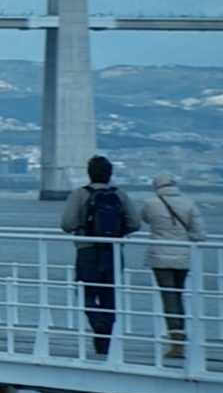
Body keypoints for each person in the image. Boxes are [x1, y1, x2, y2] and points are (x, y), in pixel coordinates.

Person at [59, 154, 139, 355]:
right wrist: (117, 232)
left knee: (85, 293)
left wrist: (83, 228)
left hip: (87, 251)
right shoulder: (120, 195)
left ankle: (96, 321)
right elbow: (135, 223)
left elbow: (67, 224)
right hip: (112, 251)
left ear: (89, 174)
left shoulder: (79, 195)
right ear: (110, 174)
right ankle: (104, 345)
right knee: (109, 297)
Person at [138, 170, 205, 360]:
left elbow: (141, 220)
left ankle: (176, 342)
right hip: (182, 257)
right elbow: (199, 234)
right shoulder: (189, 204)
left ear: (156, 186)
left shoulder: (150, 204)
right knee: (178, 295)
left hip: (159, 257)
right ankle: (181, 337)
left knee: (168, 298)